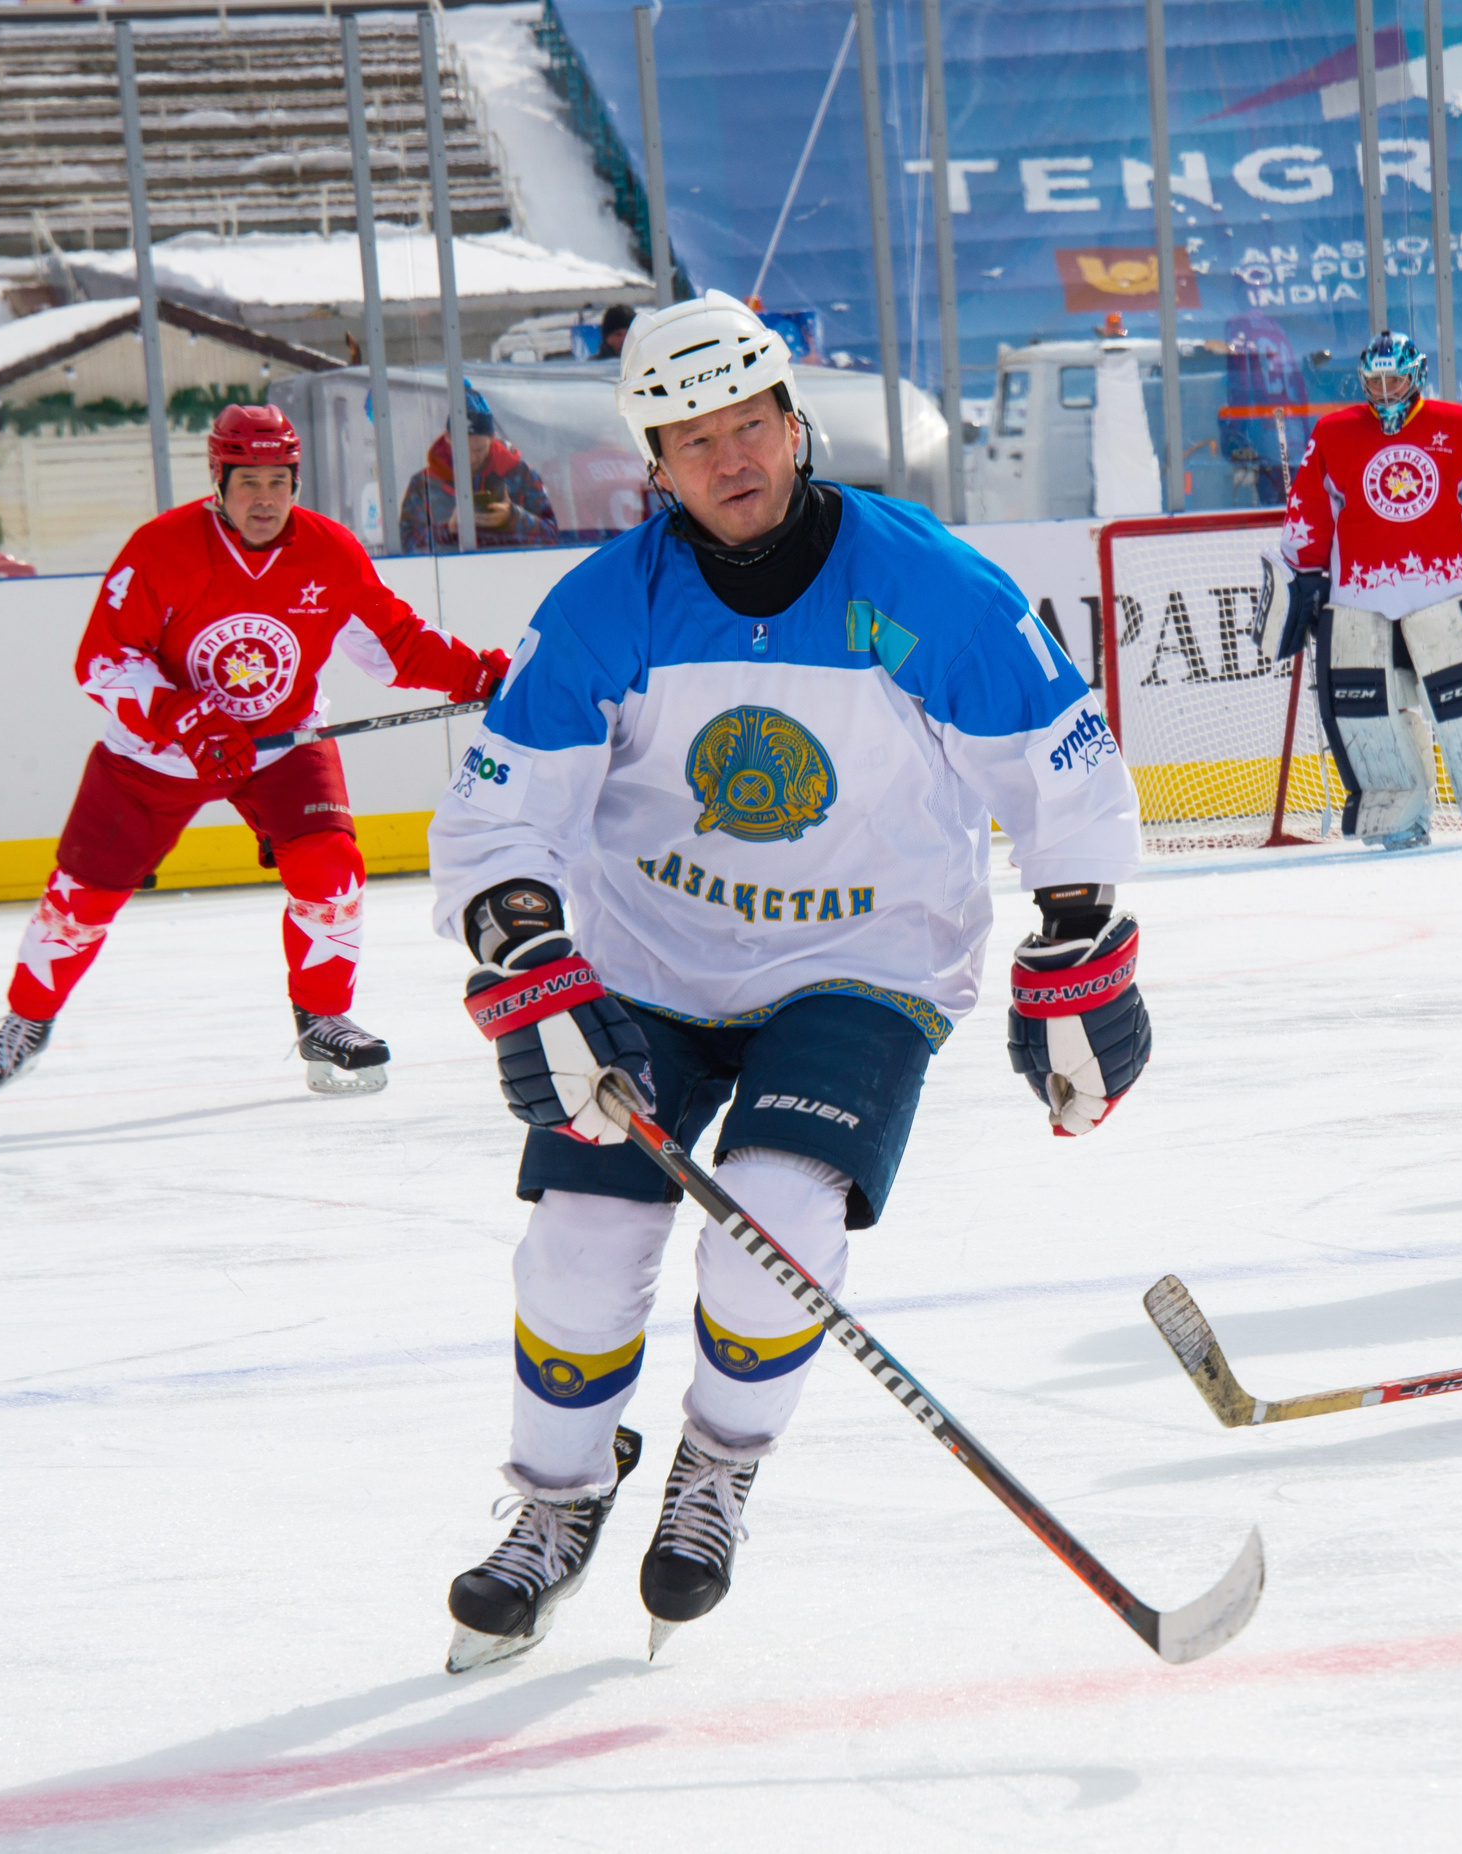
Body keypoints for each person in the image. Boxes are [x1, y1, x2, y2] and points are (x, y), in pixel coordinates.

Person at [428, 291, 1150, 1672]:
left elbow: (1057, 758)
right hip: (644, 961)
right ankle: (557, 1502)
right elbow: (496, 816)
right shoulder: (604, 608)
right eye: (694, 439)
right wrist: (526, 946)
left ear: (793, 422)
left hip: (863, 961)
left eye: (749, 423)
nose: (731, 457)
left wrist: (1078, 931)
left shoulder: (923, 581)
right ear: (654, 463)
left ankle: (716, 1465)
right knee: (578, 1252)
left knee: (771, 1223)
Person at [0, 403, 508, 1106]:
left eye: (279, 481)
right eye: (249, 482)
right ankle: (25, 1024)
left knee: (331, 873)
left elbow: (397, 643)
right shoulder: (161, 550)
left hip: (281, 744)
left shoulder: (329, 552)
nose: (265, 499)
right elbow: (103, 660)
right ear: (219, 480)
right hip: (153, 755)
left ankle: (322, 1016)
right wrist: (184, 716)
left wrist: (484, 675)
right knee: (80, 899)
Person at [1274, 330, 1462, 849]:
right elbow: (1309, 508)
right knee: (1371, 716)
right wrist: (1305, 573)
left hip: (1444, 595)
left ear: (1416, 375)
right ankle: (1397, 813)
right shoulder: (1333, 433)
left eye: (1393, 379)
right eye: (1373, 383)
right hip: (1360, 602)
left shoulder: (1458, 425)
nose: (1383, 392)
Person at [398, 385, 561, 554]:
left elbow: (552, 537)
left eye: (479, 449)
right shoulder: (423, 485)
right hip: (451, 577)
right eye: (463, 449)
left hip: (512, 574)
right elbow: (406, 545)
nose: (471, 458)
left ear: (492, 439)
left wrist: (513, 517)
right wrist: (448, 530)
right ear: (448, 438)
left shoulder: (521, 474)